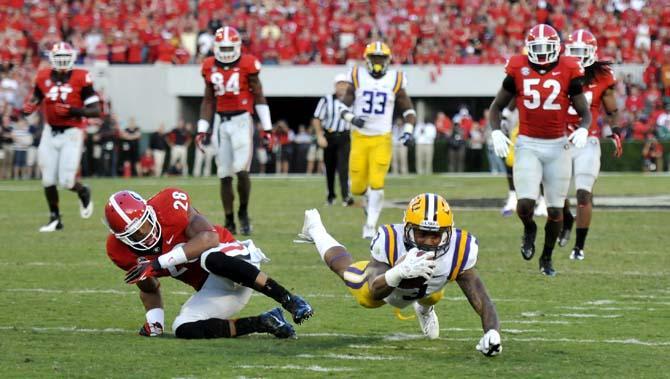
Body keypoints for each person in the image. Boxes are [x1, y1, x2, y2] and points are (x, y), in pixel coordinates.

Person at [297, 193, 502, 356]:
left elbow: (482, 299)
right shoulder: (390, 240)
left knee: (433, 293)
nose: (429, 241)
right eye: (422, 233)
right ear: (408, 230)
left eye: (436, 235)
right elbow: (375, 291)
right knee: (354, 280)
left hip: (428, 289)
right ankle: (315, 229)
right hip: (386, 287)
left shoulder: (460, 248)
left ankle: (425, 310)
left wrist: (492, 333)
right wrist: (398, 272)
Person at [104, 188, 313, 339]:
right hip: (215, 289)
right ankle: (265, 322)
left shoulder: (168, 204)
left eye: (145, 224)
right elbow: (149, 289)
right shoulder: (119, 251)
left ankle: (290, 300)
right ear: (121, 237)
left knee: (208, 258)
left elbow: (209, 239)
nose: (145, 234)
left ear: (149, 211)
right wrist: (155, 322)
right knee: (183, 327)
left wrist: (157, 263)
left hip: (235, 260)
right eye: (134, 233)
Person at [489, 24, 592, 276]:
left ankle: (546, 257)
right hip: (528, 143)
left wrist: (584, 128)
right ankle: (529, 228)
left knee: (556, 209)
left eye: (548, 48)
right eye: (538, 49)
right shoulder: (517, 67)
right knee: (524, 204)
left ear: (557, 48)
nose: (543, 54)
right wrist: (495, 131)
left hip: (558, 146)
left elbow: (584, 111)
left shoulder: (568, 68)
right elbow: (496, 107)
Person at [196, 26, 273, 235]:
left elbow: (259, 96)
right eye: (224, 47)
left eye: (231, 47)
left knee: (242, 170)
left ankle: (243, 213)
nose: (228, 51)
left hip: (242, 121)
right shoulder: (209, 65)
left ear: (239, 46)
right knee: (224, 175)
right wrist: (202, 128)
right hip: (221, 122)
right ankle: (229, 219)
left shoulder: (248, 64)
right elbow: (209, 99)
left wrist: (267, 128)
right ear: (216, 47)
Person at [338, 41, 417, 238]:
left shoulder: (395, 79)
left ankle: (370, 225)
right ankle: (368, 201)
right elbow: (342, 107)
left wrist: (408, 130)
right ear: (367, 60)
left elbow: (408, 110)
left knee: (377, 181)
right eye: (374, 58)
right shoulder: (357, 76)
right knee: (356, 187)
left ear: (388, 60)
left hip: (382, 137)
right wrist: (352, 118)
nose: (378, 62)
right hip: (359, 137)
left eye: (381, 58)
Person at [558, 30, 623, 261]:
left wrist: (615, 132)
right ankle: (566, 219)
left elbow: (612, 110)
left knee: (584, 194)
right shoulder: (559, 71)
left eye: (581, 53)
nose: (576, 57)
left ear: (592, 53)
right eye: (573, 52)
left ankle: (579, 246)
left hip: (588, 140)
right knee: (555, 194)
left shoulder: (602, 76)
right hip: (560, 140)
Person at [22, 42, 100, 232]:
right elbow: (36, 98)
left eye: (66, 57)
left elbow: (96, 110)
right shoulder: (42, 76)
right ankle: (55, 219)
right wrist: (30, 106)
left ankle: (83, 190)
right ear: (52, 59)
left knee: (66, 181)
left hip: (71, 133)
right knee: (47, 179)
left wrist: (72, 110)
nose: (63, 62)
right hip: (50, 132)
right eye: (59, 58)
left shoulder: (82, 77)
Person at [311, 73, 353, 205]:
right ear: (335, 86)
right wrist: (319, 135)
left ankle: (346, 196)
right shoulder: (326, 99)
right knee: (329, 167)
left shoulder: (353, 100)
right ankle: (330, 196)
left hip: (345, 136)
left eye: (344, 84)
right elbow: (317, 118)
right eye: (339, 84)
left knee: (343, 167)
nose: (342, 87)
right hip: (329, 136)